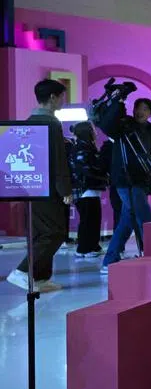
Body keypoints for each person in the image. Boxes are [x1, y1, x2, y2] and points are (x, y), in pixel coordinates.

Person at [6, 79, 73, 292]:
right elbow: (57, 160)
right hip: (50, 188)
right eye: (62, 96)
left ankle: (41, 278)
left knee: (40, 232)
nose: (63, 101)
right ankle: (22, 271)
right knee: (56, 232)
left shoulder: (29, 121)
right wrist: (65, 190)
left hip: (31, 186)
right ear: (53, 98)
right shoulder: (52, 124)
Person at [101, 98, 151, 272]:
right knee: (145, 217)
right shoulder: (123, 126)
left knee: (128, 218)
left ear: (150, 113)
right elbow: (106, 125)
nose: (141, 111)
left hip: (142, 180)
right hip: (123, 179)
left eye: (145, 109)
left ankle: (110, 259)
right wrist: (118, 102)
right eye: (138, 108)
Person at [69, 121, 108, 257]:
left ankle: (92, 246)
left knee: (92, 219)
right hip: (85, 190)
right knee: (89, 219)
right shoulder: (82, 148)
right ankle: (85, 248)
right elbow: (86, 169)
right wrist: (103, 175)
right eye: (92, 129)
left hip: (89, 189)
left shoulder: (85, 146)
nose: (95, 132)